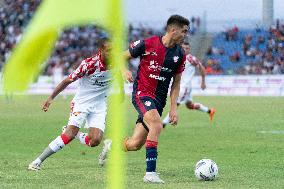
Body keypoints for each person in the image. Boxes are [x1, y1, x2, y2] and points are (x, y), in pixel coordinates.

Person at [123, 15, 190, 184]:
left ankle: (112, 147)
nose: (185, 35)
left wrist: (174, 108)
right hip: (142, 94)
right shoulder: (148, 43)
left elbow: (176, 82)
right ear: (173, 30)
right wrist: (124, 71)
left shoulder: (180, 54)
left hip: (159, 101)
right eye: (184, 31)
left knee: (135, 144)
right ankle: (150, 174)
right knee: (156, 124)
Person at [28, 37, 113, 171]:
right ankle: (37, 162)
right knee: (69, 134)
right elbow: (67, 81)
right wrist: (51, 98)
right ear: (101, 50)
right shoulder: (89, 65)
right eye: (109, 50)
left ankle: (75, 134)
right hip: (81, 103)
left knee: (95, 141)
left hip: (100, 105)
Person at [162, 42, 215, 128]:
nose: (185, 50)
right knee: (190, 106)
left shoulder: (190, 58)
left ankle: (163, 124)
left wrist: (203, 82)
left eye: (187, 48)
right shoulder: (177, 57)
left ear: (189, 49)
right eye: (183, 48)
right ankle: (210, 111)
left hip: (184, 87)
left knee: (175, 105)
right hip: (183, 86)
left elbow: (201, 68)